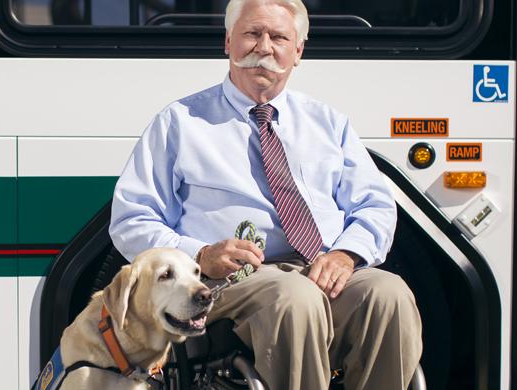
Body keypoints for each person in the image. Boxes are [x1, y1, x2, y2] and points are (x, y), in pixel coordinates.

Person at [107, 0, 422, 388]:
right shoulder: (180, 122)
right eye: (252, 34)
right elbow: (131, 219)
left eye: (279, 37)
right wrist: (200, 256)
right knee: (295, 297)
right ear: (228, 42)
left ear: (298, 51)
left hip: (320, 266)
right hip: (228, 282)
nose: (264, 47)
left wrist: (346, 254)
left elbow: (375, 205)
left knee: (388, 294)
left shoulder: (328, 122)